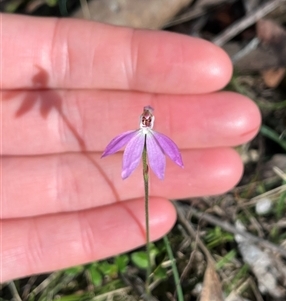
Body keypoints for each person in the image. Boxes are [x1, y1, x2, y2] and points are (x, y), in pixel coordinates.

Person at [1, 13, 261, 282]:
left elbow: (171, 154)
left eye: (148, 117)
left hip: (147, 139)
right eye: (144, 117)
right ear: (142, 120)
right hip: (135, 136)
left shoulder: (156, 137)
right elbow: (116, 147)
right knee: (135, 168)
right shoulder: (132, 135)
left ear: (149, 120)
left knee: (153, 170)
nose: (146, 118)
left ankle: (150, 264)